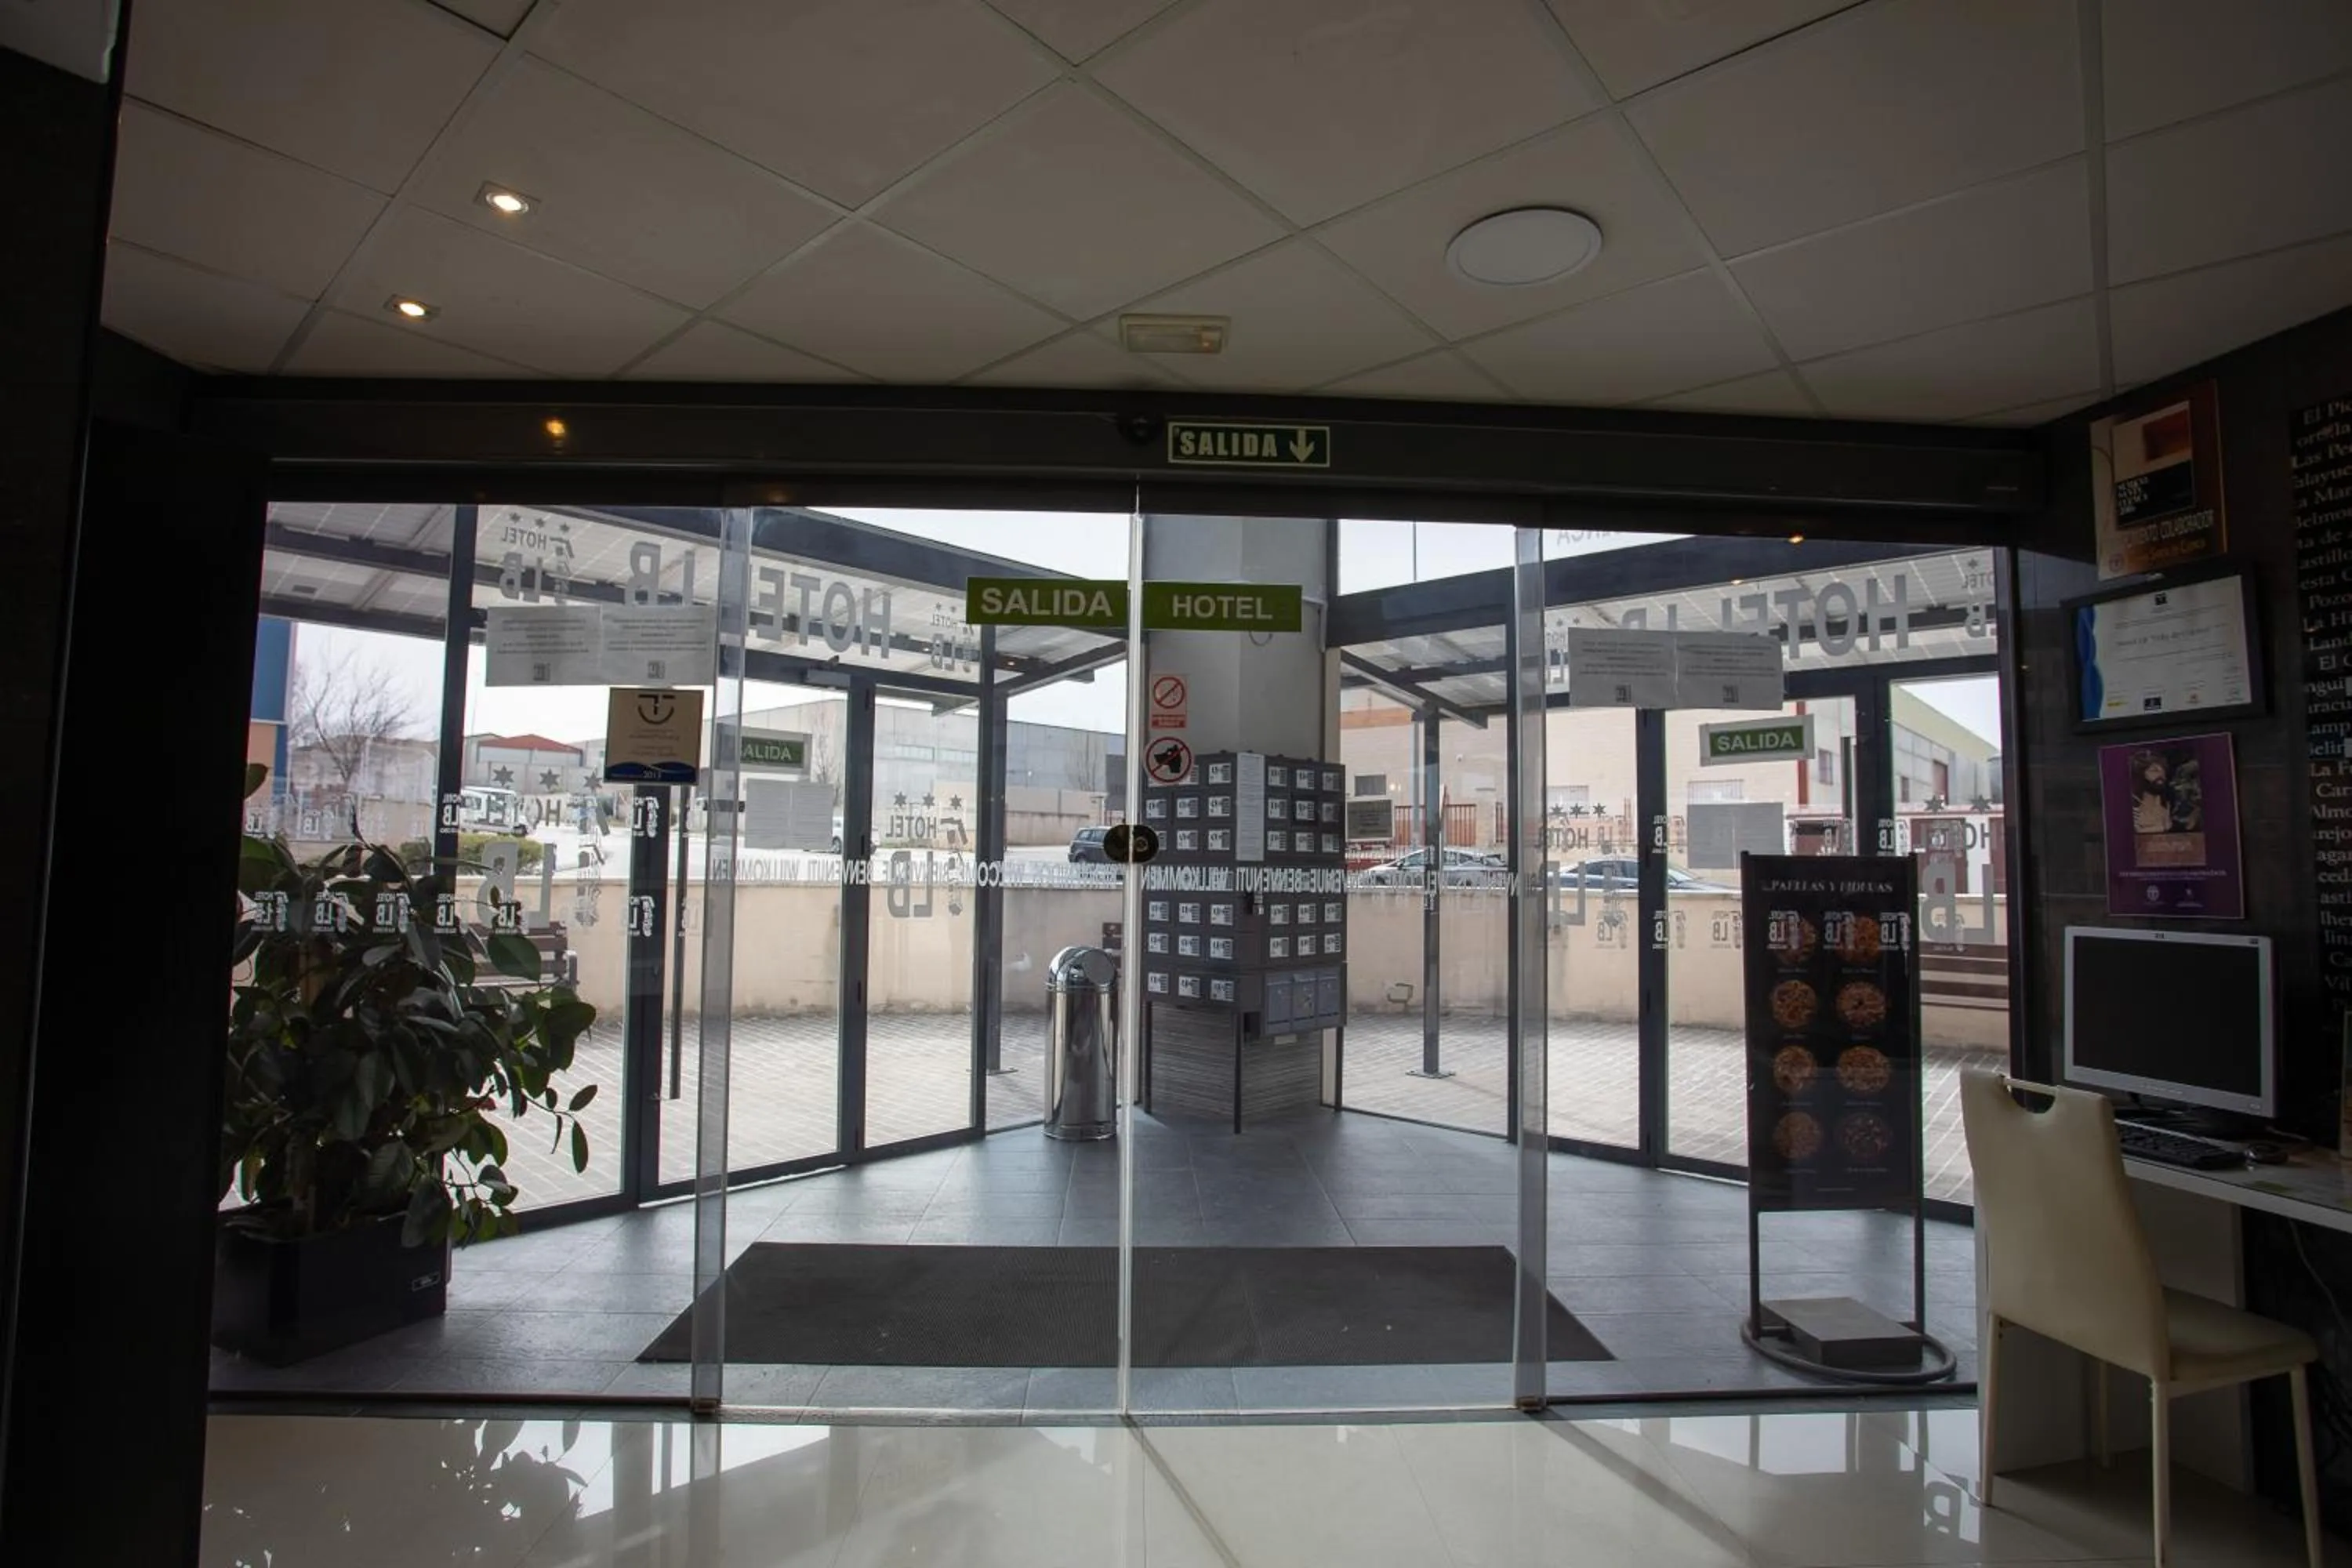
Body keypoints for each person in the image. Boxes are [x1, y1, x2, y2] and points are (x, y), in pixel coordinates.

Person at [2130, 750, 2172, 834]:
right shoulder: (2133, 802)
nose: (2161, 775)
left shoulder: (2164, 802)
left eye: (2163, 770)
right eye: (2154, 770)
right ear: (2141, 774)